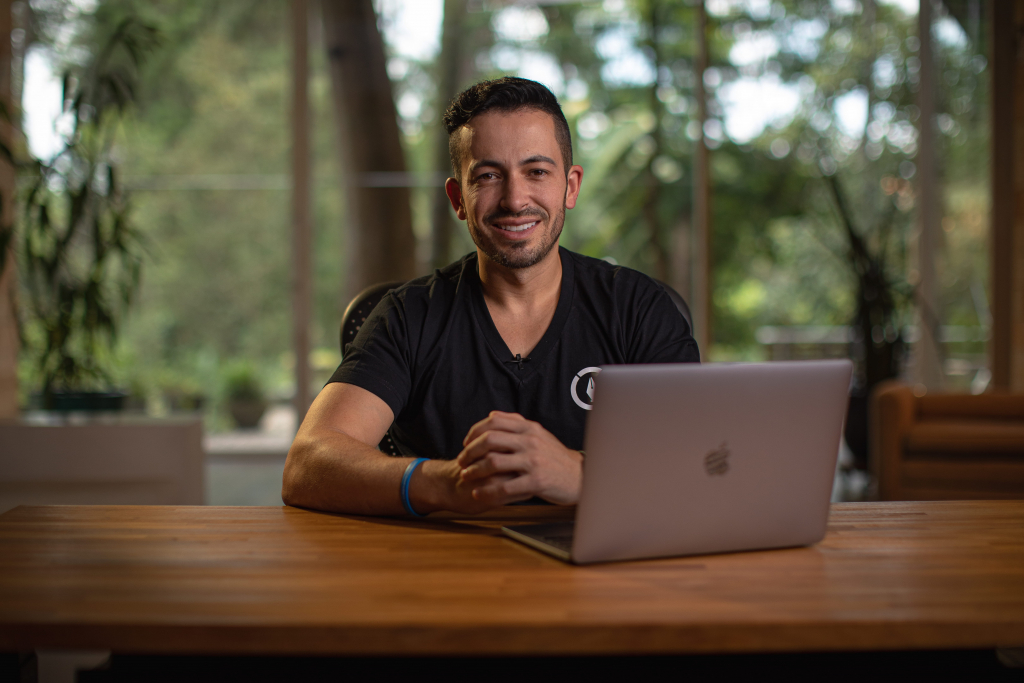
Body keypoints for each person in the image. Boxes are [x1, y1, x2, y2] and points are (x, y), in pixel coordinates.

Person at [282, 77, 699, 516]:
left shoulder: (639, 307)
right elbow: (307, 464)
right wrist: (446, 483)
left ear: (570, 186)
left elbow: (705, 461)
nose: (515, 199)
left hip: (602, 571)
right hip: (444, 570)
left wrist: (579, 475)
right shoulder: (408, 316)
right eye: (487, 176)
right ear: (458, 198)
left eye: (536, 171)